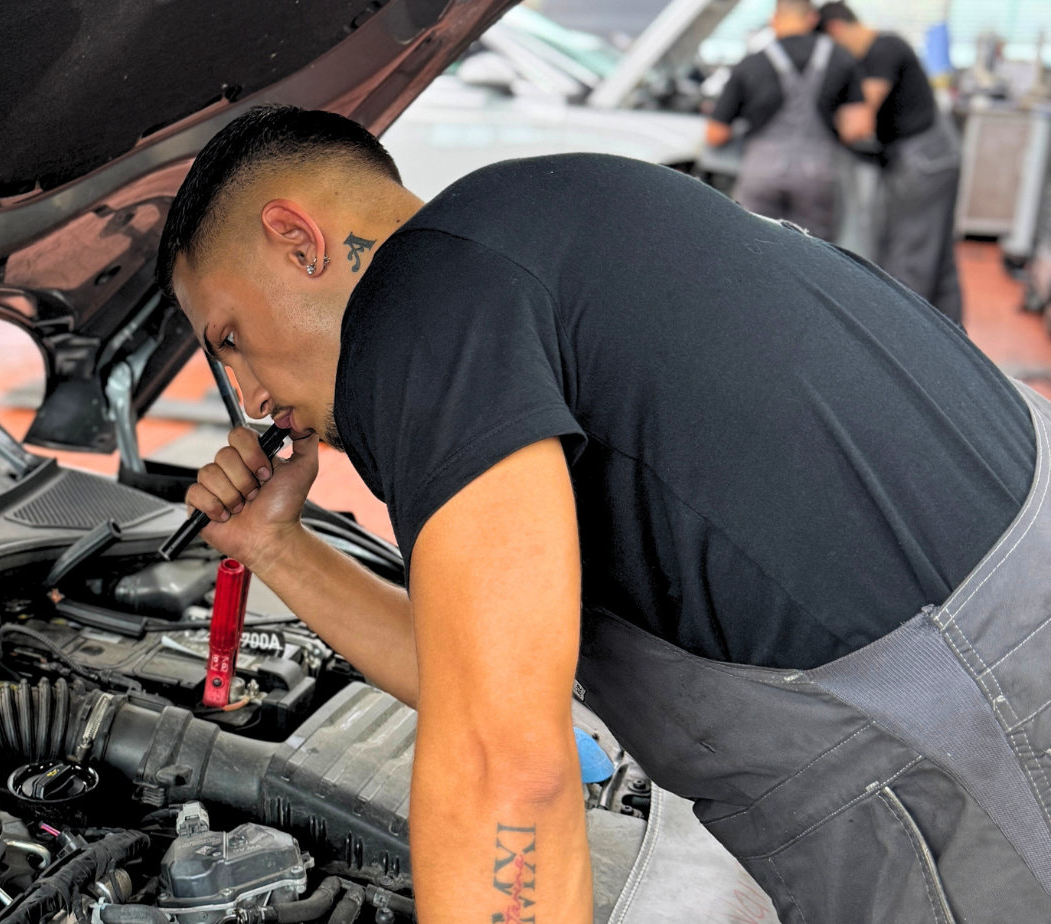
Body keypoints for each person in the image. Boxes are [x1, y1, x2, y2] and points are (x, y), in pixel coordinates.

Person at [157, 104, 1051, 923]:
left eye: (229, 338)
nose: (249, 395)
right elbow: (485, 675)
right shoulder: (543, 220)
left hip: (967, 753)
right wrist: (273, 544)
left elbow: (503, 766)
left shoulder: (417, 306)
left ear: (296, 239)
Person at [821, 1, 964, 326]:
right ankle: (950, 341)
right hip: (933, 156)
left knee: (908, 253)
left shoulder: (882, 49)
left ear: (836, 30)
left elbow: (857, 125)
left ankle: (903, 340)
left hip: (924, 160)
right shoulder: (878, 52)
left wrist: (826, 116)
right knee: (937, 257)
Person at [705, 0, 868, 242]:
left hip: (761, 173)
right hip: (818, 174)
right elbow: (860, 127)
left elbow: (715, 134)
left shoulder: (751, 63)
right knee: (815, 253)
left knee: (754, 245)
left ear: (774, 20)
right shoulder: (841, 59)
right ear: (812, 19)